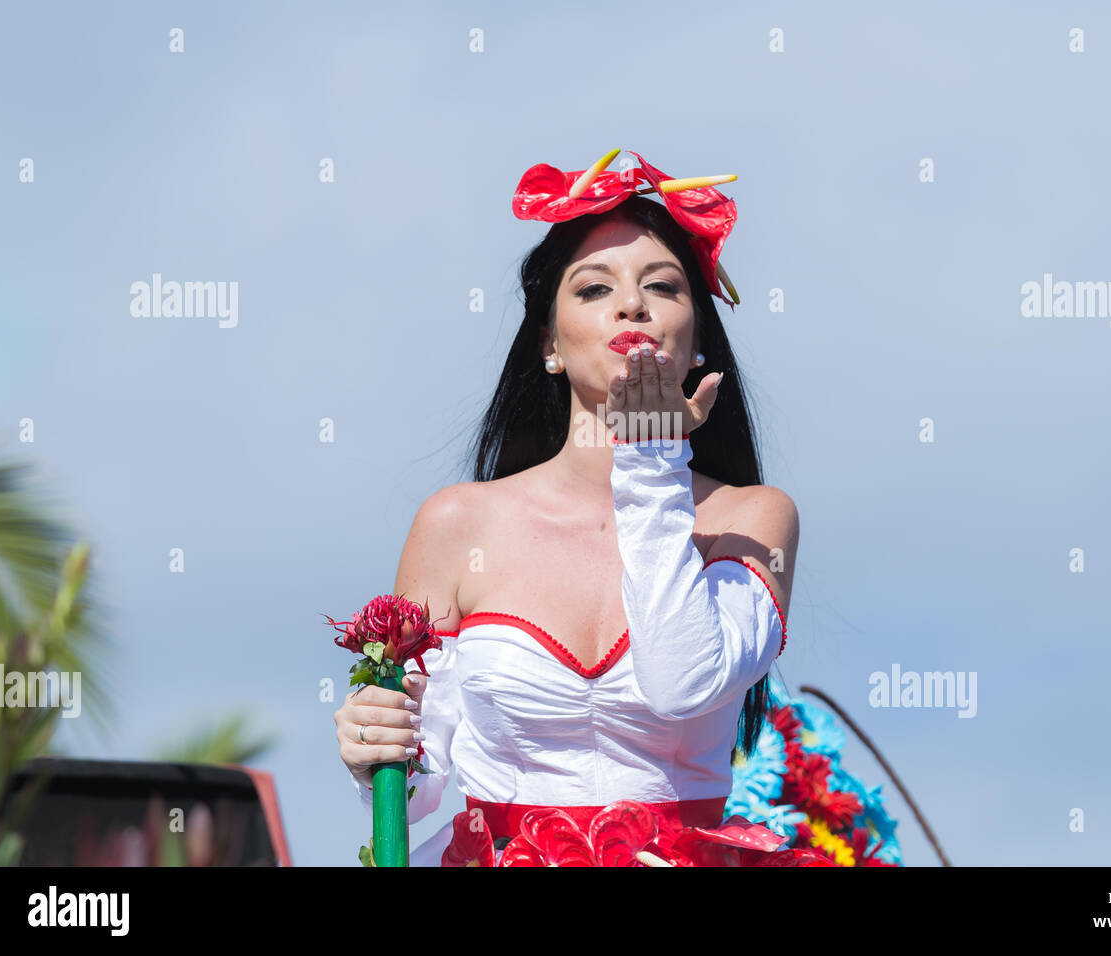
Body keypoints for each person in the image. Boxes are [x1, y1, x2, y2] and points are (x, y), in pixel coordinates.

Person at [334, 149, 804, 866]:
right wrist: (373, 742)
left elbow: (683, 684)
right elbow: (413, 787)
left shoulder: (753, 518)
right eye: (593, 289)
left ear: (698, 335)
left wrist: (653, 457)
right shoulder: (457, 524)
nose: (632, 304)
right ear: (549, 344)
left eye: (662, 285)